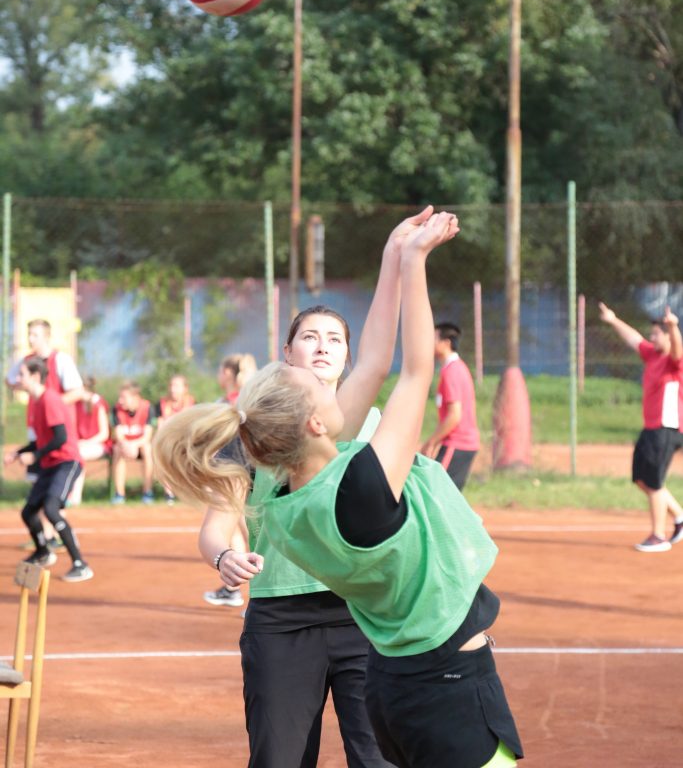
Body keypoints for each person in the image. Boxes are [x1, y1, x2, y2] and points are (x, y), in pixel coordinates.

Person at [156, 210, 522, 768]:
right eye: (309, 376)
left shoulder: (288, 498)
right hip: (442, 677)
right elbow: (416, 369)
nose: (330, 368)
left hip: (394, 675)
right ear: (316, 423)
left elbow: (374, 361)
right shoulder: (362, 484)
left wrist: (393, 257)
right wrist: (416, 262)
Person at [598, 302, 683, 552]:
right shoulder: (652, 354)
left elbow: (678, 350)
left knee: (654, 482)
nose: (652, 337)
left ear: (668, 336)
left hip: (667, 429)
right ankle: (679, 516)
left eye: (657, 333)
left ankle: (658, 536)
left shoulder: (673, 361)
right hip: (651, 428)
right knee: (642, 479)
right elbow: (633, 338)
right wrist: (613, 319)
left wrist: (674, 326)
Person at [3, 357, 94, 582]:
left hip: (66, 462)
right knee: (28, 512)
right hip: (50, 464)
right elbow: (41, 439)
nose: (18, 379)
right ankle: (43, 551)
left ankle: (80, 564)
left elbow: (61, 437)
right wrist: (18, 453)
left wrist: (34, 456)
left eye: (22, 374)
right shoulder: (35, 403)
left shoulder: (49, 399)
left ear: (35, 376)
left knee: (52, 510)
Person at [7, 318, 84, 544]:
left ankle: (57, 533)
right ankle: (45, 535)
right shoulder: (27, 362)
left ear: (47, 336)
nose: (31, 339)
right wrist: (23, 385)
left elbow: (77, 391)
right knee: (39, 482)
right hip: (37, 429)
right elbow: (9, 380)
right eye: (29, 334)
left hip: (56, 430)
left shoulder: (60, 360)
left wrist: (52, 405)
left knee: (56, 485)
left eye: (35, 335)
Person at [203, 354, 255, 608]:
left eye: (221, 369)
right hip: (228, 471)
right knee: (233, 528)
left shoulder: (238, 400)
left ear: (227, 373)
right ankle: (232, 588)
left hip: (238, 473)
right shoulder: (228, 401)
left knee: (249, 530)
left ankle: (253, 594)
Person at [421, 322, 480, 490]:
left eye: (433, 339)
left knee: (437, 494)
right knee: (445, 497)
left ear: (446, 343)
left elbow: (454, 415)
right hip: (460, 444)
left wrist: (431, 442)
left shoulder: (452, 371)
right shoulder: (454, 368)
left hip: (458, 443)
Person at [68, 375, 111, 506]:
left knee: (78, 455)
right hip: (81, 446)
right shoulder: (76, 404)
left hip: (100, 445)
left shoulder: (98, 403)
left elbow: (104, 434)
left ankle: (75, 497)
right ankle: (65, 494)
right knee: (69, 453)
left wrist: (85, 442)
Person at [111, 380, 154, 504]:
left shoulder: (147, 407)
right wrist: (127, 445)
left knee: (147, 448)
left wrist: (134, 444)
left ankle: (148, 492)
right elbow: (119, 435)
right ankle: (119, 494)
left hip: (140, 445)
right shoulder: (117, 409)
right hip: (125, 445)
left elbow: (147, 436)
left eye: (123, 397)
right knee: (117, 449)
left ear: (135, 397)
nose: (120, 400)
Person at [155, 374, 195, 504]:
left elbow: (194, 428)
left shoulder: (192, 403)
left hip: (186, 441)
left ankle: (190, 491)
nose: (173, 389)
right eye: (171, 385)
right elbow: (160, 428)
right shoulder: (162, 404)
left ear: (185, 388)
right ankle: (169, 493)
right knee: (164, 453)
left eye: (177, 386)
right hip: (168, 441)